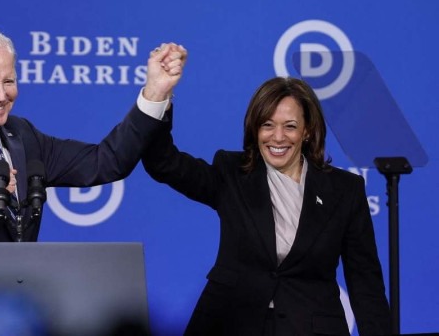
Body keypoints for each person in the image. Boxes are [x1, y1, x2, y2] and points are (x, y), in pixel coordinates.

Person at [141, 74, 391, 335]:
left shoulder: (345, 190)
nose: (278, 137)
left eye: (290, 126)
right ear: (255, 129)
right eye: (267, 125)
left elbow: (365, 282)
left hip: (310, 327)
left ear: (307, 130)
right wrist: (159, 96)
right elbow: (164, 163)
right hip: (231, 323)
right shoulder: (232, 173)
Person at [0, 27, 185, 243]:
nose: (1, 94)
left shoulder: (23, 135)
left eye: (9, 80)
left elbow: (105, 161)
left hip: (22, 306)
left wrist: (155, 93)